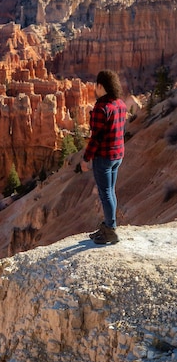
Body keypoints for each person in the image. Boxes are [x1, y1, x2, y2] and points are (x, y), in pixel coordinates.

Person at [80, 69, 127, 245]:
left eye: (96, 86)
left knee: (105, 192)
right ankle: (108, 226)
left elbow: (96, 138)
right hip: (118, 155)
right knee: (110, 191)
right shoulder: (120, 104)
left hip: (104, 157)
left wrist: (86, 158)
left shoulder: (101, 108)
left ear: (100, 86)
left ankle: (111, 229)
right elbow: (121, 131)